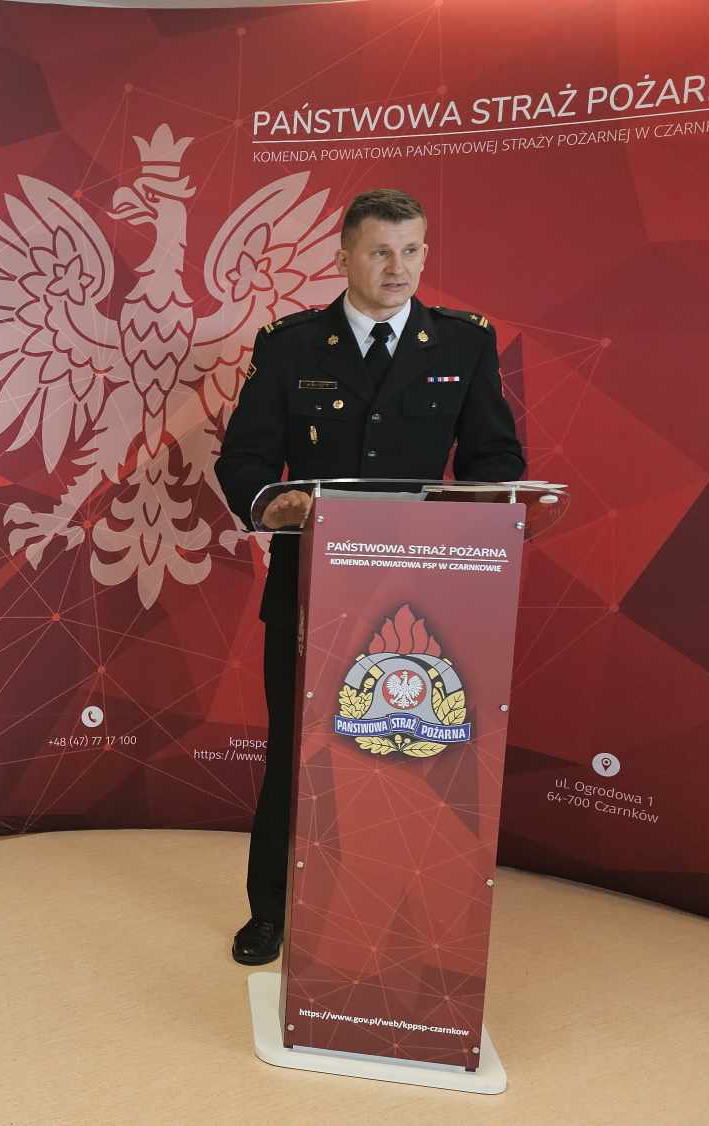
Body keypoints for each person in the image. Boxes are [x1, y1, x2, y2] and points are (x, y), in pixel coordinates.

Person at [214, 189, 525, 966]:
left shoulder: (462, 344)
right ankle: (271, 912)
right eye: (381, 250)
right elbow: (245, 458)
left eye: (412, 250)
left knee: (412, 754)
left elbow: (494, 456)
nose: (399, 266)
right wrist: (272, 503)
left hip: (427, 588)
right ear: (345, 255)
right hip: (310, 587)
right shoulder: (290, 347)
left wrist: (480, 510)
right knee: (296, 751)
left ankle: (402, 910)